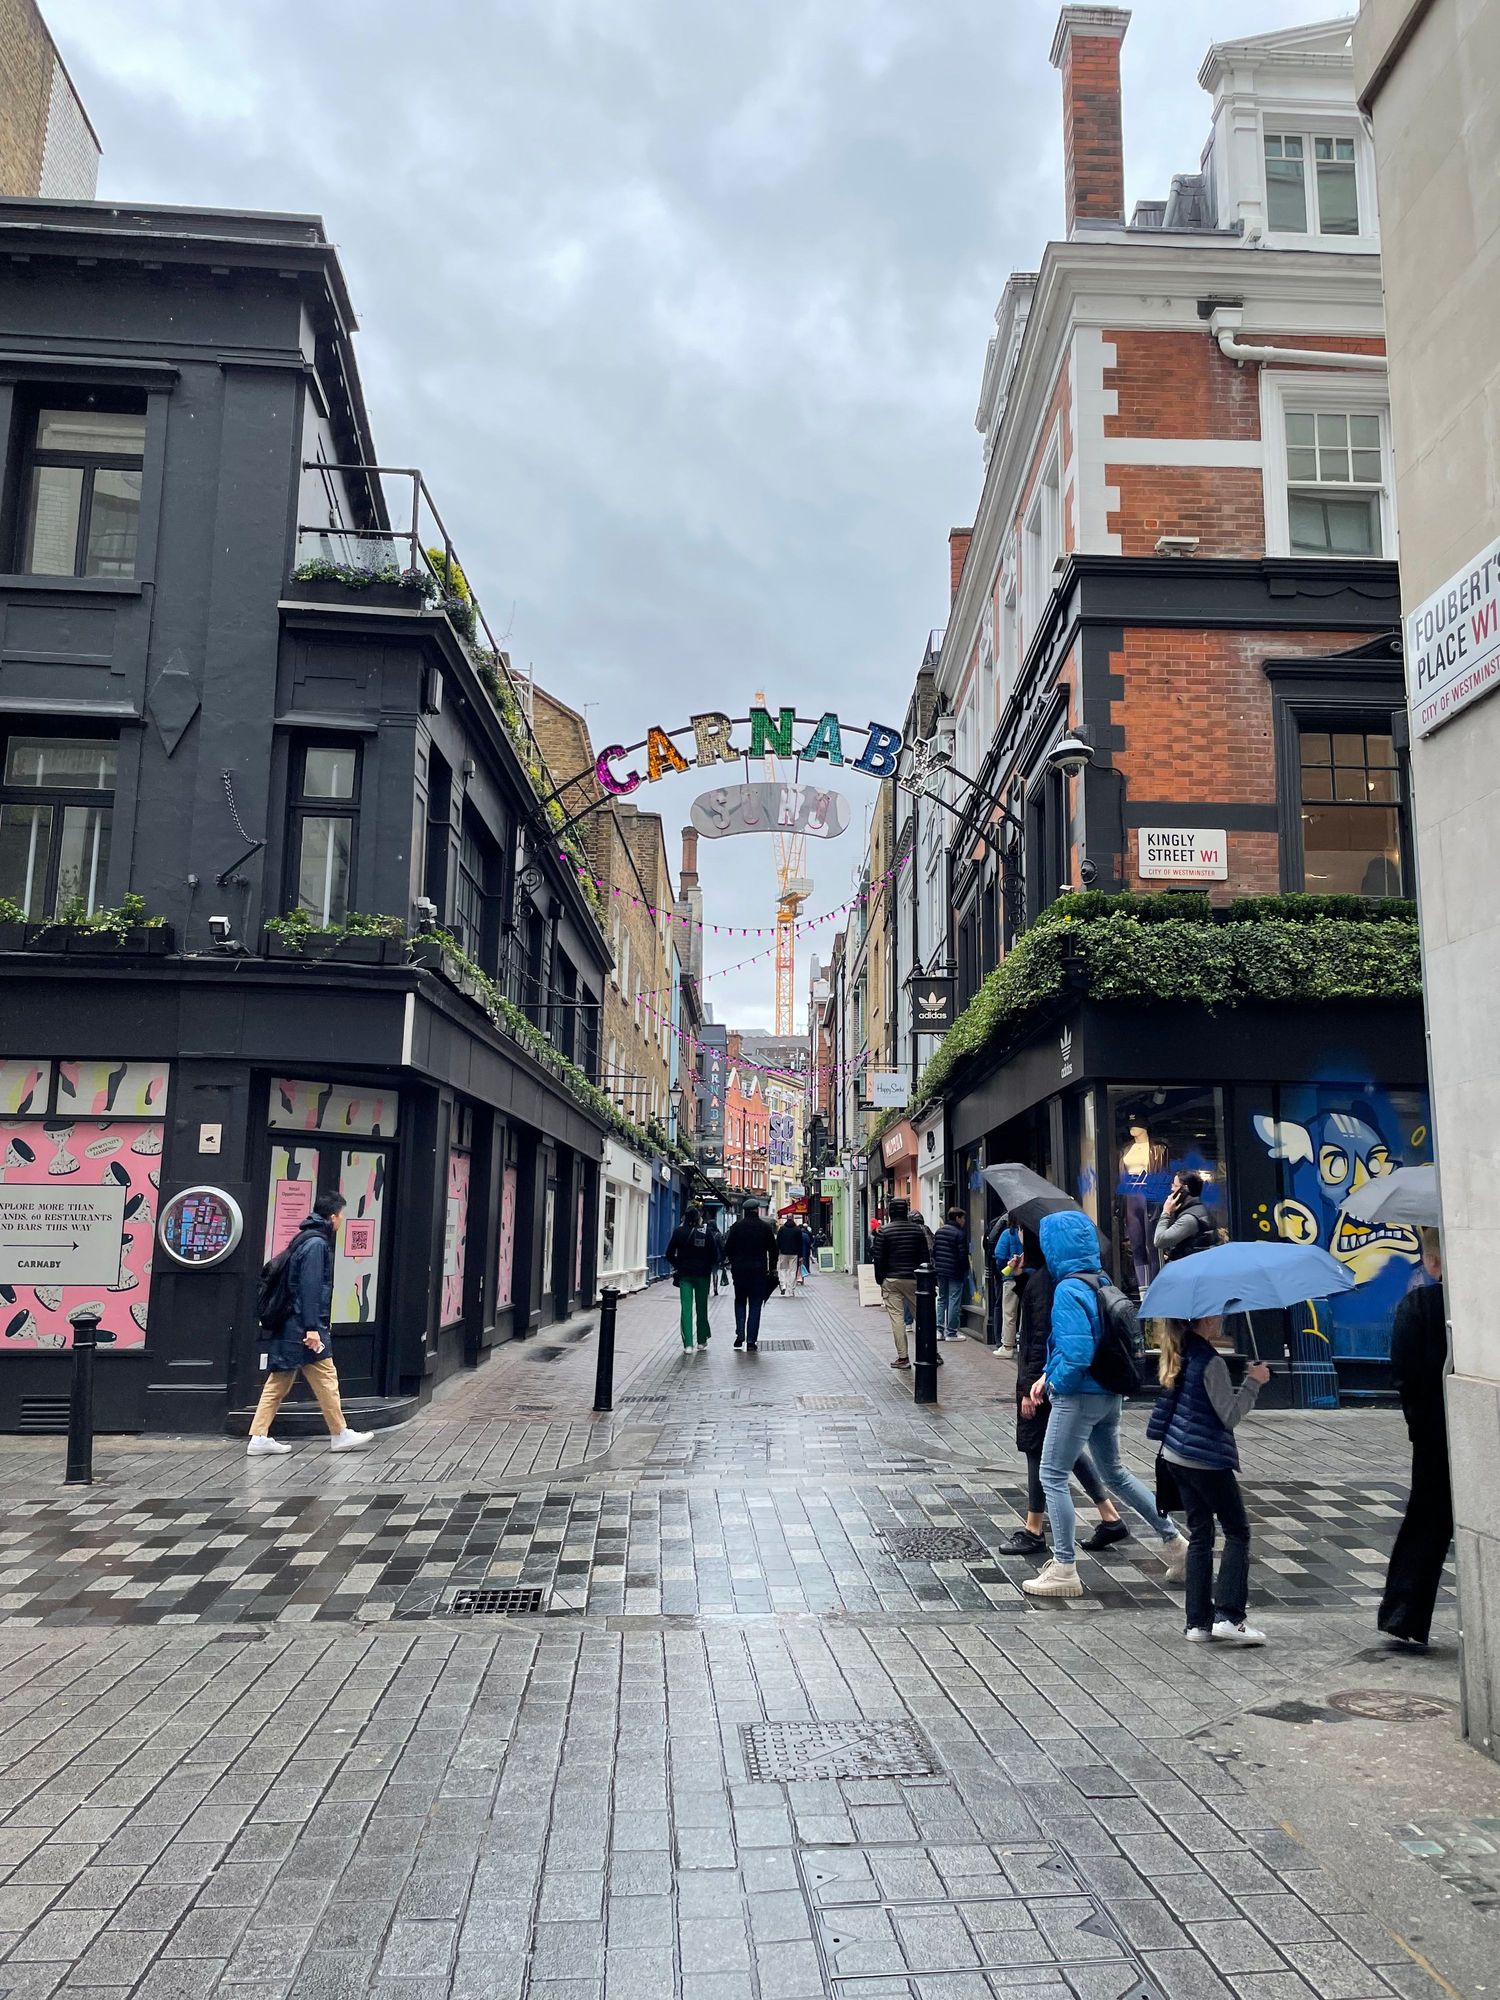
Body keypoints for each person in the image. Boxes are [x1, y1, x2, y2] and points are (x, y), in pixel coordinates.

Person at [1022, 1209, 1189, 1598]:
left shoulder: (1067, 1290)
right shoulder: (1100, 1280)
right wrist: (1048, 1372)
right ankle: (1177, 1544)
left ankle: (1064, 1568)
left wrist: (1054, 1384)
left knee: (1052, 1475)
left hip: (1078, 1397)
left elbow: (1078, 1353)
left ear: (1055, 1247)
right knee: (1115, 1473)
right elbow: (1085, 1344)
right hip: (1108, 1393)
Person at [999, 1226, 1128, 1555]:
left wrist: (1030, 1387)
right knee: (1061, 1451)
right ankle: (1110, 1517)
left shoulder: (1051, 1281)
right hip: (1055, 1378)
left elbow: (1040, 1335)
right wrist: (1020, 1277)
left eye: (1022, 1231)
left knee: (1038, 1450)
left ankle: (1035, 1530)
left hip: (1044, 1380)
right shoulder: (1052, 1276)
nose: (1019, 1236)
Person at [1149, 1318, 1271, 1644]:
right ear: (1205, 1319)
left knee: (1201, 1534)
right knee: (1237, 1531)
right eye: (1217, 1314)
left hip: (1176, 1456)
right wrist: (1254, 1382)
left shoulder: (1182, 1349)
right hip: (1205, 1460)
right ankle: (1230, 1616)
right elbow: (1229, 1415)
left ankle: (1198, 1623)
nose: (1222, 1319)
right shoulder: (1210, 1361)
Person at [247, 1192, 374, 1456]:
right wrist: (312, 1328)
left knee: (280, 1381)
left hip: (292, 1326)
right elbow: (310, 1288)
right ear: (332, 1217)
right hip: (302, 1328)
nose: (342, 1221)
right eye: (342, 1216)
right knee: (325, 1378)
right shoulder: (316, 1244)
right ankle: (340, 1434)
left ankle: (259, 1436)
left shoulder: (304, 1239)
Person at [1378, 1230, 1451, 1650]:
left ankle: (1403, 1617)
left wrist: (1418, 1424)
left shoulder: (1419, 1306)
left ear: (1432, 1262)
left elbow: (1402, 1372)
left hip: (1433, 1435)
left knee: (1425, 1522)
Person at [870, 1197, 938, 1370]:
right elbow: (925, 1257)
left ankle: (903, 1357)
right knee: (923, 1317)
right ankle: (932, 1353)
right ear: (906, 1211)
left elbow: (878, 1259)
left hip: (891, 1279)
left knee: (897, 1318)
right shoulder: (917, 1231)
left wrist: (880, 1280)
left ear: (890, 1212)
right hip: (914, 1279)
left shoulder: (883, 1232)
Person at [666, 1203, 722, 1351]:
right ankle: (701, 1341)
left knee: (686, 1308)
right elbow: (714, 1255)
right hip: (702, 1275)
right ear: (698, 1218)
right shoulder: (705, 1232)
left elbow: (669, 1253)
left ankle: (688, 1345)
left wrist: (678, 1265)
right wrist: (707, 1264)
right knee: (702, 1307)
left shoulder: (678, 1232)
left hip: (685, 1275)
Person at [724, 1201, 778, 1352]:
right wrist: (772, 1269)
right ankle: (751, 1341)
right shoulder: (765, 1228)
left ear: (745, 1211)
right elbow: (773, 1251)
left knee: (740, 1301)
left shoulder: (736, 1227)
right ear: (757, 1210)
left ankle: (740, 1332)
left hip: (740, 1272)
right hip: (759, 1272)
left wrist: (734, 1262)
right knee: (755, 1305)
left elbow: (727, 1249)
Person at [1153, 1171, 1215, 1264]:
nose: (1172, 1189)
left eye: (1175, 1186)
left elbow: (1159, 1241)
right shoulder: (1198, 1209)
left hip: (1191, 1266)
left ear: (1184, 1190)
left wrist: (1166, 1212)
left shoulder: (1189, 1218)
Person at [931, 1208, 970, 1340]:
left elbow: (934, 1252)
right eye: (963, 1218)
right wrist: (965, 1269)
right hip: (955, 1270)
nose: (964, 1221)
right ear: (957, 1218)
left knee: (942, 1298)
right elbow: (962, 1255)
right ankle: (951, 1332)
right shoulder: (959, 1233)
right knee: (954, 1299)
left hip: (941, 1270)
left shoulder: (939, 1231)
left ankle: (939, 1330)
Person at [994, 1215, 1023, 1355]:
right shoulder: (1031, 1234)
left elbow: (999, 1255)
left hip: (1011, 1277)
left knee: (1009, 1313)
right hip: (1028, 1277)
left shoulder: (1007, 1234)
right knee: (1026, 1312)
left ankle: (1007, 1346)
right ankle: (1023, 1343)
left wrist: (1007, 1264)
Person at [775, 1216, 803, 1296]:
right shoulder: (797, 1230)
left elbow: (778, 1242)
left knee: (783, 1270)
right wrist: (801, 1255)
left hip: (783, 1253)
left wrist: (777, 1252)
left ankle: (783, 1285)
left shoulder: (782, 1229)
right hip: (794, 1254)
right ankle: (791, 1290)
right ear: (793, 1219)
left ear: (786, 1219)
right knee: (792, 1271)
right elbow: (800, 1243)